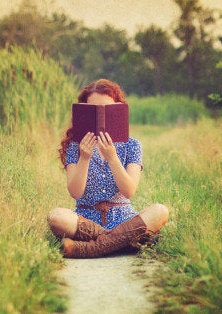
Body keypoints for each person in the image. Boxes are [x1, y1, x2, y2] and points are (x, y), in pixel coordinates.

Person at [47, 79, 169, 258]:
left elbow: (129, 191)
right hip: (86, 222)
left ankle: (87, 249)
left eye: (106, 110)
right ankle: (125, 243)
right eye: (94, 110)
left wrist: (112, 157)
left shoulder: (132, 145)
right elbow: (75, 192)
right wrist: (85, 157)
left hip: (124, 219)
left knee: (160, 211)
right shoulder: (75, 146)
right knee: (56, 217)